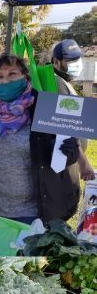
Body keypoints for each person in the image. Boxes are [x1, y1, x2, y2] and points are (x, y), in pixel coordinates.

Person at [0, 53, 80, 224]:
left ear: (25, 76)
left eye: (12, 74)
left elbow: (65, 159)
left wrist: (68, 150)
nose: (6, 81)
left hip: (33, 212)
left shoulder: (46, 108)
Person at [51, 39, 94, 186]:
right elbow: (65, 126)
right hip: (66, 158)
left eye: (77, 59)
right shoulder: (58, 82)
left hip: (70, 157)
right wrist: (84, 162)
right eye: (70, 60)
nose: (77, 63)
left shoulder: (64, 81)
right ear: (56, 62)